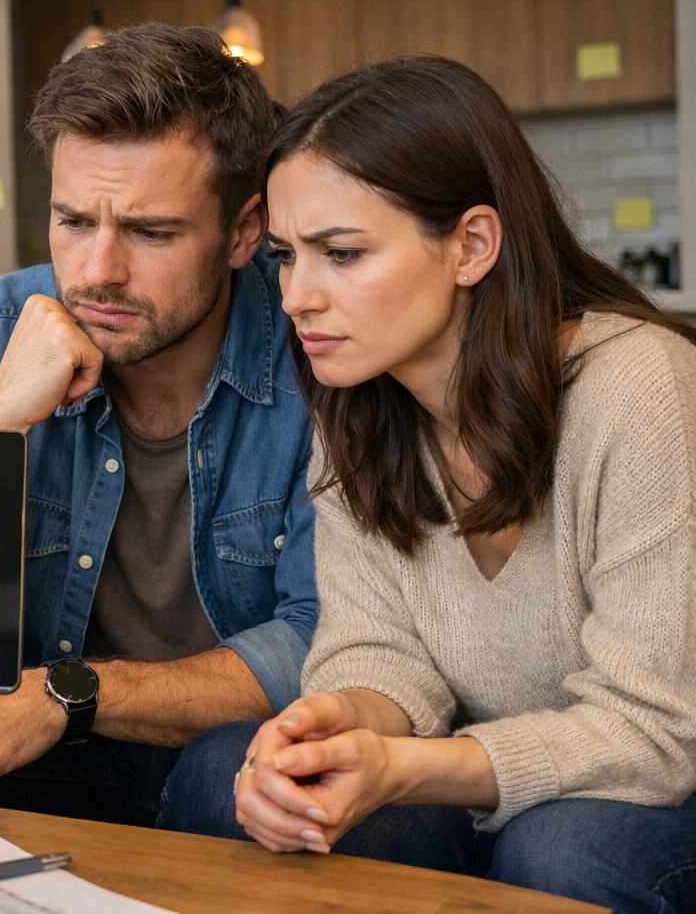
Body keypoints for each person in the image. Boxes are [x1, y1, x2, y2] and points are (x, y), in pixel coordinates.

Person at [166, 56, 696, 913]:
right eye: (286, 257)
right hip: (478, 778)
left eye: (341, 253)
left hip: (656, 790)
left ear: (471, 246)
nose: (297, 295)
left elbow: (657, 735)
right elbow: (380, 650)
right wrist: (331, 728)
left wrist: (405, 766)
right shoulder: (358, 409)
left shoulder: (641, 389)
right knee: (225, 768)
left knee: (561, 844)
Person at [0, 23, 318, 828]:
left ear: (244, 231)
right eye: (74, 222)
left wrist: (62, 695)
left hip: (209, 745)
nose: (99, 272)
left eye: (151, 233)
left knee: (241, 764)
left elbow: (320, 643)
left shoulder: (319, 352)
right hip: (30, 752)